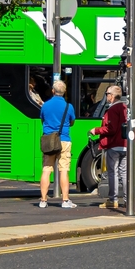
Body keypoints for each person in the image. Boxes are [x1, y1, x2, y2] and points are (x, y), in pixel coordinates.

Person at [38, 79, 76, 209]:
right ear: (64, 92)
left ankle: (43, 200)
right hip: (64, 139)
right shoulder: (69, 106)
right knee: (63, 170)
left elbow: (42, 120)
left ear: (53, 91)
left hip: (49, 140)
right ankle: (65, 200)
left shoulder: (45, 105)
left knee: (46, 169)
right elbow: (72, 122)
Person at [95, 84, 128, 209]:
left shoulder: (113, 109)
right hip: (125, 145)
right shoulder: (125, 107)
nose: (106, 96)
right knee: (124, 173)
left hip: (114, 145)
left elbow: (111, 128)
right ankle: (127, 199)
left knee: (113, 173)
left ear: (112, 96)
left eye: (107, 94)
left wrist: (96, 130)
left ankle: (113, 199)